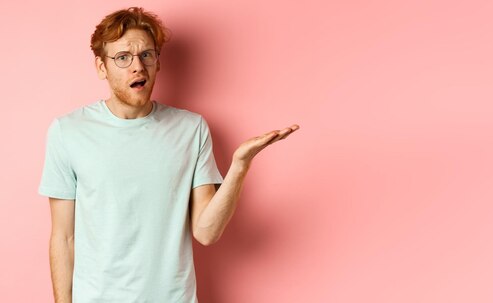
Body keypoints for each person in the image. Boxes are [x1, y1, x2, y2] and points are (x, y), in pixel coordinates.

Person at [38, 7, 299, 303]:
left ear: (158, 63)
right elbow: (63, 238)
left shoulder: (191, 129)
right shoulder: (68, 131)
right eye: (123, 58)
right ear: (101, 67)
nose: (138, 66)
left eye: (146, 55)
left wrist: (240, 166)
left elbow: (206, 232)